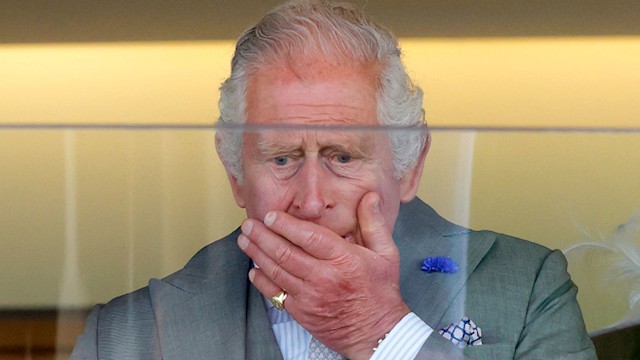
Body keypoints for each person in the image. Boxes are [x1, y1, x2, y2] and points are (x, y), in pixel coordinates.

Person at [71, 0, 596, 359]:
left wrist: (378, 331)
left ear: (409, 167)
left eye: (343, 156)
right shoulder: (126, 336)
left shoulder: (528, 287)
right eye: (281, 158)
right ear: (236, 177)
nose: (312, 199)